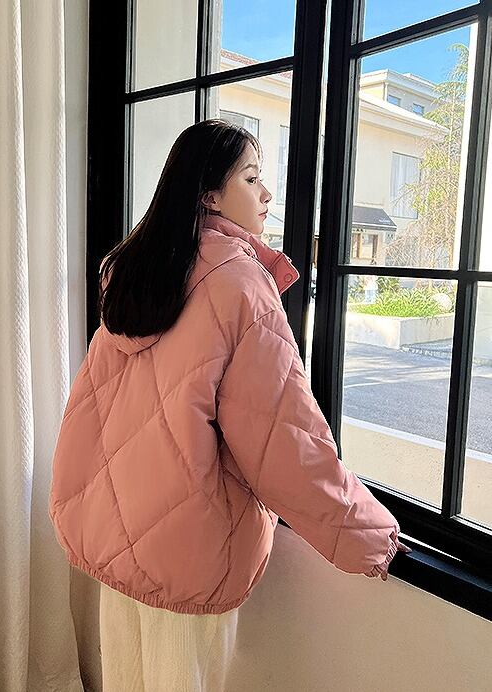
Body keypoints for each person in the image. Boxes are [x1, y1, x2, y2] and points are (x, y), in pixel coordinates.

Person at [48, 119, 412, 691]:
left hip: (116, 530)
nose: (266, 194)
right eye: (251, 177)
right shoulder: (239, 283)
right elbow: (282, 437)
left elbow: (94, 408)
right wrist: (368, 536)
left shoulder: (139, 271)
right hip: (188, 546)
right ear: (209, 194)